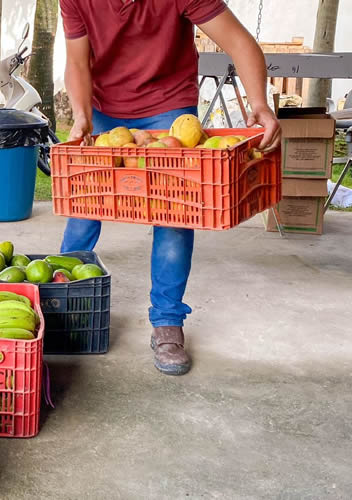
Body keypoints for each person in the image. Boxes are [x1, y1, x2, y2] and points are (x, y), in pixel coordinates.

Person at [59, 0, 281, 375]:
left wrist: (259, 104)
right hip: (105, 110)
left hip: (168, 107)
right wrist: (82, 117)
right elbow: (78, 62)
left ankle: (167, 322)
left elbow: (240, 43)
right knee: (84, 206)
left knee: (174, 211)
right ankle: (64, 303)